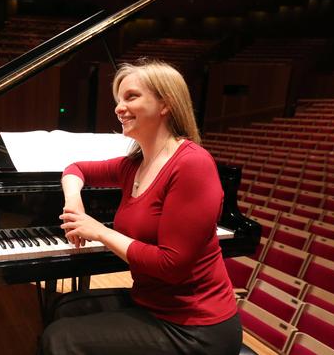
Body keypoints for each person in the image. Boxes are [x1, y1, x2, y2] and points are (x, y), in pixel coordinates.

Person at [40, 60, 241, 355]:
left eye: (131, 97)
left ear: (165, 104)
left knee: (60, 338)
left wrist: (100, 232)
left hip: (196, 326)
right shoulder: (134, 165)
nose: (119, 108)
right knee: (66, 307)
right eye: (118, 99)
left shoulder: (191, 164)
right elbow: (75, 168)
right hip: (152, 303)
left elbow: (171, 267)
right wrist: (74, 203)